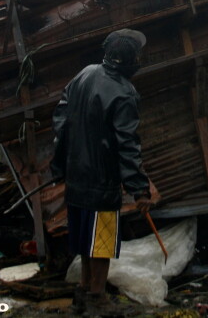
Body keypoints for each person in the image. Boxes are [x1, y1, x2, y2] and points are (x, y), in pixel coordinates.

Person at [51, 29, 154, 316]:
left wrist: (60, 165)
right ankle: (97, 298)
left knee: (85, 239)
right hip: (102, 182)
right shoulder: (124, 93)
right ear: (131, 59)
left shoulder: (85, 74)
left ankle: (83, 293)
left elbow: (60, 120)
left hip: (76, 178)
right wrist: (139, 189)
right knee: (102, 244)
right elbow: (127, 145)